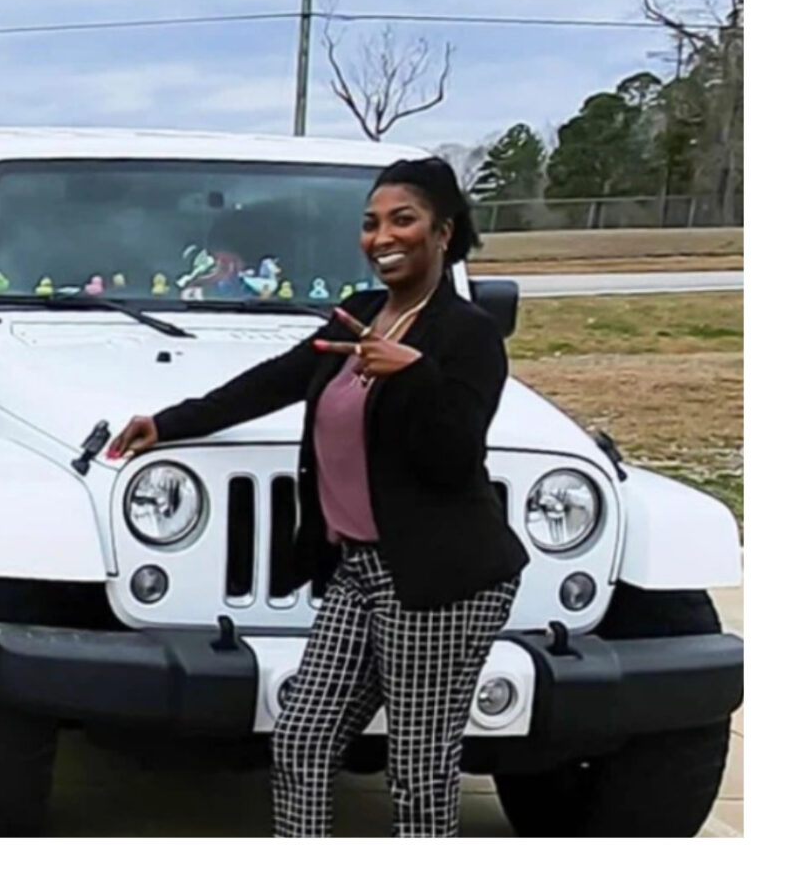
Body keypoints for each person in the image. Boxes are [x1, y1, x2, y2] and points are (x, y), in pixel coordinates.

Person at [108, 157, 530, 838]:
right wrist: (170, 422)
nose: (382, 236)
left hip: (441, 580)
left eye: (403, 220)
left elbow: (455, 457)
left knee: (419, 770)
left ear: (444, 233)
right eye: (370, 223)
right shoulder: (361, 314)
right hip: (359, 569)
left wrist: (413, 373)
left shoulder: (466, 333)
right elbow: (276, 380)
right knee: (302, 737)